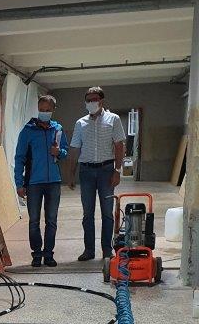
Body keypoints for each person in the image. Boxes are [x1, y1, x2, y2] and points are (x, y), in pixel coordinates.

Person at [68, 86, 126, 261]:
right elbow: (75, 148)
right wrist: (71, 174)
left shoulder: (113, 119)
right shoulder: (80, 123)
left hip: (106, 171)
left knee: (107, 213)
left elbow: (119, 146)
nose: (91, 103)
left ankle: (107, 250)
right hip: (86, 172)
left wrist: (117, 171)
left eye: (95, 99)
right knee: (88, 214)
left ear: (101, 101)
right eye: (88, 100)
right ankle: (89, 250)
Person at [14, 94, 68, 267]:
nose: (44, 112)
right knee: (34, 220)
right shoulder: (28, 131)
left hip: (53, 182)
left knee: (51, 220)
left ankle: (48, 254)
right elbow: (19, 158)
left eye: (47, 110)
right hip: (34, 183)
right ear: (38, 109)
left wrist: (59, 152)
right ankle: (37, 254)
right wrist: (19, 183)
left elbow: (65, 152)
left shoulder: (58, 129)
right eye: (41, 110)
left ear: (53, 110)